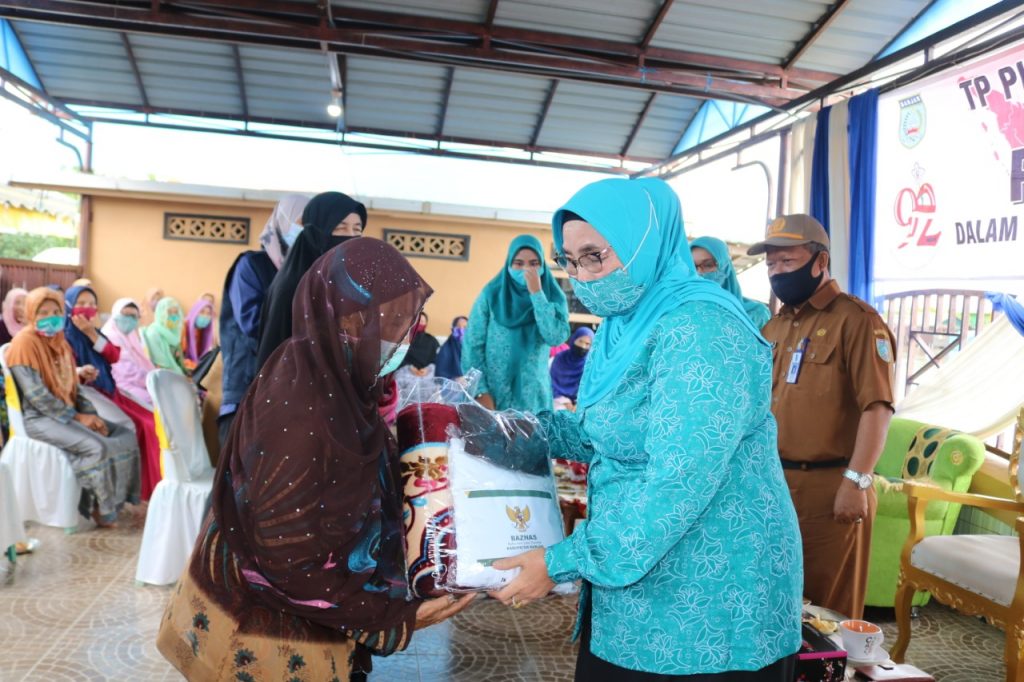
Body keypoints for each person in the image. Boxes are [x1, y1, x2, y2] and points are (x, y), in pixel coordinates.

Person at [491, 178, 802, 681]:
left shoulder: (699, 326)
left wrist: (561, 561)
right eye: (569, 261)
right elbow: (603, 433)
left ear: (643, 242)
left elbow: (680, 477)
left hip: (711, 592)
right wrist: (517, 431)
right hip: (635, 572)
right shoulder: (623, 324)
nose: (581, 276)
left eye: (594, 256)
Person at [157, 238, 476, 681]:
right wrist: (391, 618)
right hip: (266, 632)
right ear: (345, 318)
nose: (405, 336)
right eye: (389, 320)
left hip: (311, 608)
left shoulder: (327, 375)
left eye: (408, 321)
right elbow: (286, 555)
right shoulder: (303, 411)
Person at [749, 214, 896, 620]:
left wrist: (857, 480)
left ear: (820, 261)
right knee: (773, 603)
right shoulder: (774, 326)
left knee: (824, 612)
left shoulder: (857, 321)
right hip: (775, 483)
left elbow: (878, 407)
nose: (778, 272)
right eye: (771, 264)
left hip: (831, 487)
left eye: (788, 261)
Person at [6, 287, 140, 528]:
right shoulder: (24, 344)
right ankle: (93, 506)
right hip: (40, 418)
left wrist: (90, 415)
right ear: (31, 314)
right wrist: (78, 418)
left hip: (67, 413)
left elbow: (74, 388)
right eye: (43, 312)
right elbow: (38, 397)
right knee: (96, 447)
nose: (51, 317)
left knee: (125, 435)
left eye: (56, 311)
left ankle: (114, 502)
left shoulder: (60, 342)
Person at [217, 193, 309, 447]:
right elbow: (253, 323)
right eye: (300, 222)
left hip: (288, 392)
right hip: (247, 388)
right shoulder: (252, 266)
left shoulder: (310, 271)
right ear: (283, 221)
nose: (305, 230)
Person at [64, 285, 163, 501]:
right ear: (69, 306)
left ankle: (149, 487)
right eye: (81, 303)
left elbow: (112, 355)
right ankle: (132, 489)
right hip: (88, 395)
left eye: (92, 304)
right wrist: (81, 372)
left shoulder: (94, 332)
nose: (87, 308)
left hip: (110, 391)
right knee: (139, 425)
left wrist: (90, 333)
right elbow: (64, 370)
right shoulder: (65, 336)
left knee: (151, 420)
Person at [256, 191, 366, 367]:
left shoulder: (340, 283)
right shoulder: (295, 286)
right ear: (316, 232)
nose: (350, 237)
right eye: (340, 228)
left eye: (357, 229)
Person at [463, 235, 569, 412]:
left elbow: (555, 338)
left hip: (533, 396)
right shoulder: (492, 294)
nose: (526, 269)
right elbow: (472, 345)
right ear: (509, 264)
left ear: (543, 266)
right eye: (519, 263)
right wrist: (480, 391)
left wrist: (537, 295)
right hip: (494, 395)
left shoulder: (553, 297)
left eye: (534, 263)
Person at [690, 235, 772, 329]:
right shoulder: (682, 309)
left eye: (708, 265)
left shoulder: (756, 314)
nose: (699, 272)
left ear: (726, 268)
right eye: (692, 266)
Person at [101, 298, 157, 409]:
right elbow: (126, 371)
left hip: (137, 379)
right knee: (154, 400)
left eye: (134, 317)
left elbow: (141, 361)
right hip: (118, 382)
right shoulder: (109, 335)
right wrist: (151, 382)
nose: (130, 319)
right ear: (116, 314)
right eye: (126, 315)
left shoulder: (130, 335)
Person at [394, 312, 440, 399]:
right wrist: (409, 367)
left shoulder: (432, 340)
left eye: (422, 321)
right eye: (417, 321)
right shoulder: (404, 339)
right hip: (405, 371)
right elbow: (398, 356)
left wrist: (428, 369)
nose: (420, 323)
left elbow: (437, 359)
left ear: (426, 323)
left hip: (426, 373)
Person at [549, 326, 594, 410]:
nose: (583, 346)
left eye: (587, 344)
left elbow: (591, 388)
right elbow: (551, 383)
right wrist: (565, 401)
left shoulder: (590, 364)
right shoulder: (560, 358)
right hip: (557, 400)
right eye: (580, 341)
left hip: (582, 403)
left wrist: (578, 404)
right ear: (574, 339)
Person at [141, 297, 188, 375]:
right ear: (161, 313)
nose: (173, 315)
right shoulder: (153, 333)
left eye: (176, 312)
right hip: (162, 374)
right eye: (169, 312)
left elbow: (179, 359)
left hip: (175, 372)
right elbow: (161, 364)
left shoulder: (175, 331)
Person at [182, 298, 216, 372]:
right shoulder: (183, 328)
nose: (205, 316)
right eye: (202, 312)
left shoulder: (202, 331)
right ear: (195, 312)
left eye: (208, 314)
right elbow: (178, 357)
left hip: (194, 368)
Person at [434, 316, 468, 380]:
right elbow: (439, 375)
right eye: (458, 327)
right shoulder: (445, 349)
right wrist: (455, 379)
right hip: (451, 384)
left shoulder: (473, 349)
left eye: (465, 327)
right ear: (453, 329)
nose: (461, 330)